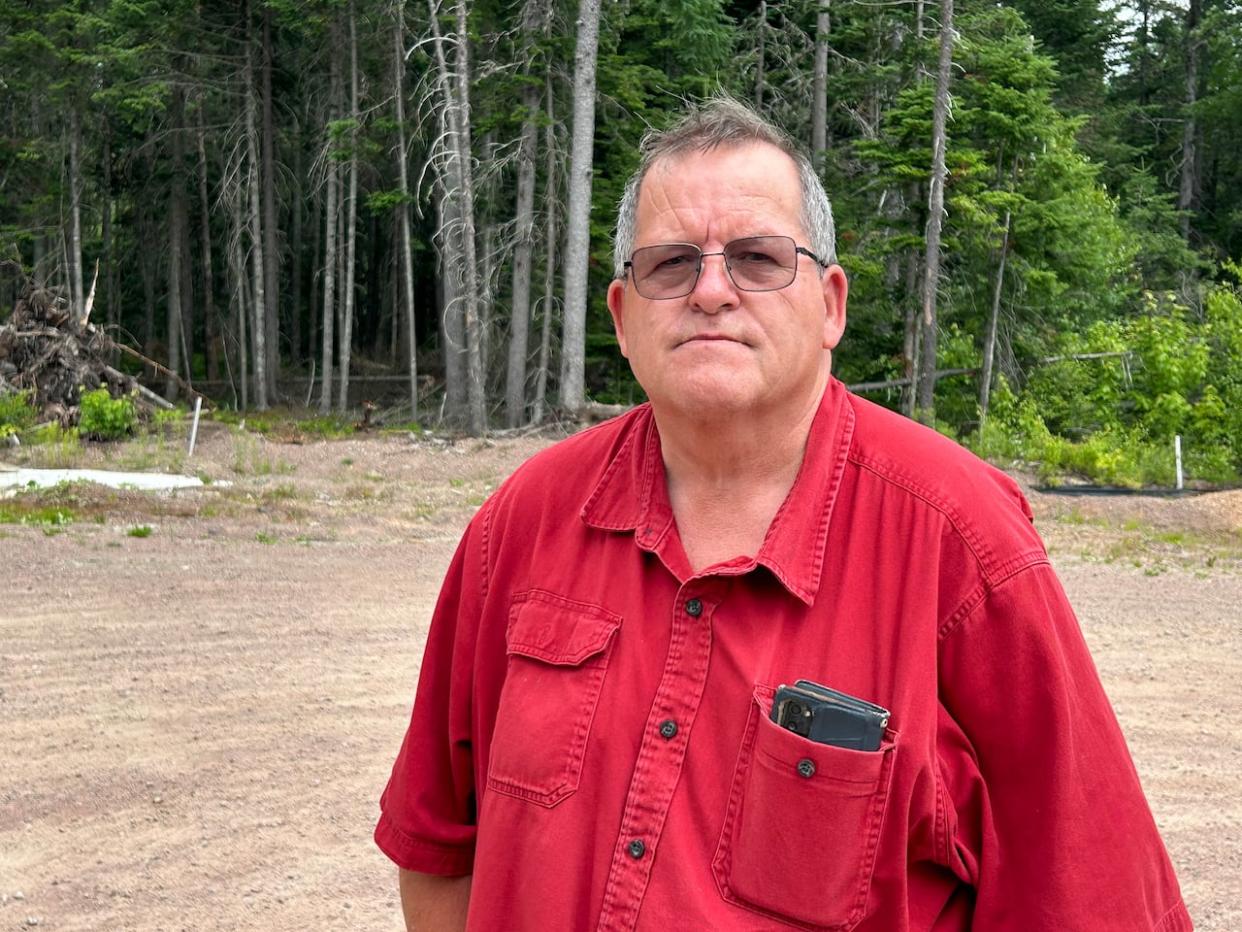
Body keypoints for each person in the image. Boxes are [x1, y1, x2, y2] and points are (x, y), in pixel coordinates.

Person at [375, 97, 1191, 931]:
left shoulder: (959, 538)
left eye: (760, 259)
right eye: (671, 265)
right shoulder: (523, 522)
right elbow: (440, 845)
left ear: (831, 304)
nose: (713, 291)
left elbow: (1094, 892)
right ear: (622, 318)